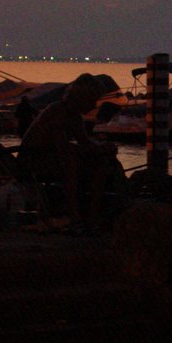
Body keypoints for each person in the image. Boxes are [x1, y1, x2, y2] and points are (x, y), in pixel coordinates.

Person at [19, 73, 120, 232]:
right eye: (93, 99)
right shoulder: (57, 111)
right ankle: (75, 216)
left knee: (101, 164)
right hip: (33, 161)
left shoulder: (74, 116)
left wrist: (103, 148)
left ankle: (92, 216)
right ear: (82, 97)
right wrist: (97, 149)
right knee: (71, 163)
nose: (94, 105)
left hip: (51, 158)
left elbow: (85, 142)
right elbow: (63, 148)